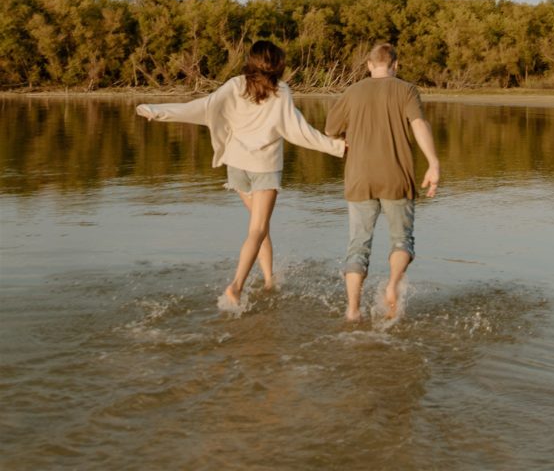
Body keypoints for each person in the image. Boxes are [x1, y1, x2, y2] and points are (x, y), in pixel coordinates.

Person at [136, 40, 345, 308]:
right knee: (257, 229)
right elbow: (298, 131)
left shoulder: (235, 85)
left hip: (237, 166)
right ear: (278, 64)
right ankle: (236, 286)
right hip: (265, 168)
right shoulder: (281, 91)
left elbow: (204, 106)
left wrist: (158, 111)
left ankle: (269, 281)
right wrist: (337, 147)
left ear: (251, 61)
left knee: (260, 227)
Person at [325, 42, 440, 321]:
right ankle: (391, 286)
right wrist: (433, 163)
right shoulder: (406, 90)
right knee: (402, 240)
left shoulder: (353, 91)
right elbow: (418, 124)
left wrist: (345, 138)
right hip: (396, 176)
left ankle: (352, 309)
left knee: (358, 246)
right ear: (395, 65)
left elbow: (330, 129)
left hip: (359, 178)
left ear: (368, 65)